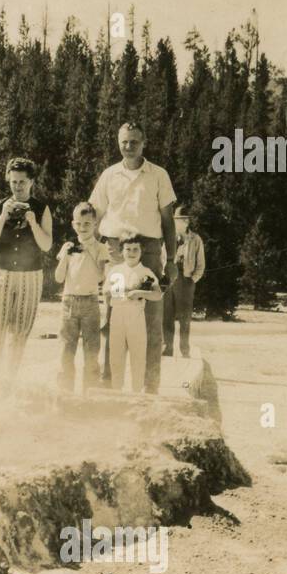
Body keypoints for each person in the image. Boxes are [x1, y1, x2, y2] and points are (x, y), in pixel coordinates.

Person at [89, 122, 177, 393]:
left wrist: (171, 258)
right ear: (118, 142)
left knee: (149, 318)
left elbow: (168, 220)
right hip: (115, 253)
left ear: (144, 142)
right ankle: (109, 385)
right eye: (125, 141)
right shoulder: (109, 175)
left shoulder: (158, 175)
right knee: (114, 316)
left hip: (148, 251)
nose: (129, 147)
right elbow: (94, 214)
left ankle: (149, 388)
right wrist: (94, 248)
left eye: (135, 142)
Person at [0, 157, 54, 381]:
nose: (18, 186)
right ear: (8, 181)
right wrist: (4, 215)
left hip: (30, 275)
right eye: (13, 182)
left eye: (22, 182)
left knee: (20, 331)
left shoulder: (42, 208)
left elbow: (47, 245)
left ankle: (9, 382)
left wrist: (33, 222)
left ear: (31, 182)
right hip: (0, 272)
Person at [54, 202, 109, 393]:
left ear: (95, 225)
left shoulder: (101, 248)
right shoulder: (68, 247)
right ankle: (65, 392)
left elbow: (101, 277)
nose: (83, 228)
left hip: (90, 303)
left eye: (87, 224)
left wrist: (89, 252)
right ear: (73, 224)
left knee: (91, 350)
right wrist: (66, 256)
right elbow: (58, 278)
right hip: (68, 301)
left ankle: (90, 392)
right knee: (66, 350)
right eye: (79, 224)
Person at [104, 234, 164, 393]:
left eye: (135, 249)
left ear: (141, 251)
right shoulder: (116, 270)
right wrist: (127, 291)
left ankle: (136, 392)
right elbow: (109, 291)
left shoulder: (146, 272)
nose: (131, 253)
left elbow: (157, 295)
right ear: (121, 251)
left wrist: (141, 293)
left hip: (136, 316)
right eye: (128, 249)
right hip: (117, 316)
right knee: (116, 356)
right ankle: (117, 391)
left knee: (138, 355)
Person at [163, 206, 205, 358]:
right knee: (166, 316)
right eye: (176, 220)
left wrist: (192, 280)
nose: (178, 223)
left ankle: (185, 351)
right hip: (169, 281)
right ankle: (167, 349)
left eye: (181, 220)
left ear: (187, 222)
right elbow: (161, 258)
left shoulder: (195, 240)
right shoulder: (168, 238)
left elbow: (201, 264)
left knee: (184, 319)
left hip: (186, 280)